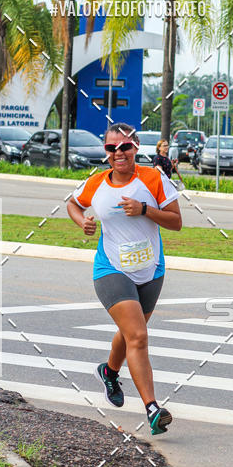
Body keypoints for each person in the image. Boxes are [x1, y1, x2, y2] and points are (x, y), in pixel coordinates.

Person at [67, 123, 183, 435]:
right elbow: (73, 203)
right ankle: (152, 409)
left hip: (150, 270)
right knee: (139, 336)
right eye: (111, 148)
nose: (118, 153)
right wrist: (83, 223)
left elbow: (176, 222)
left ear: (136, 148)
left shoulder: (153, 178)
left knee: (131, 332)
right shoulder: (96, 182)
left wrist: (145, 209)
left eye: (125, 147)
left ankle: (109, 371)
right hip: (111, 269)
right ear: (105, 152)